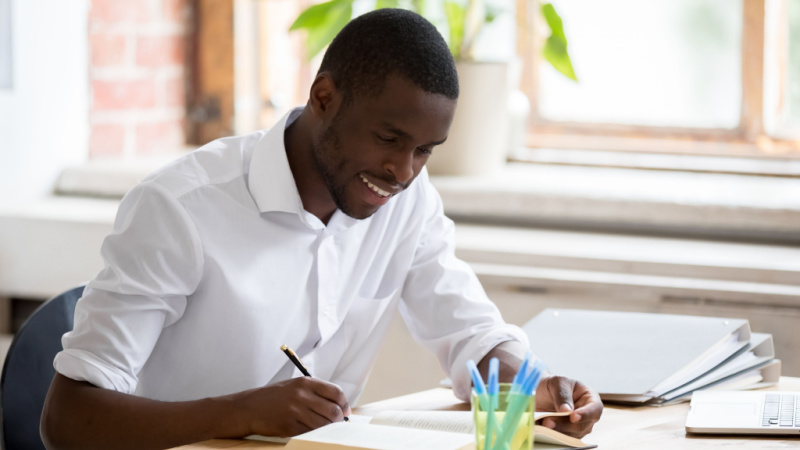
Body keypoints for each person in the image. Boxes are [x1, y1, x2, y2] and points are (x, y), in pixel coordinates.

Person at [41, 9, 602, 450]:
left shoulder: (404, 201)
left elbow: (470, 333)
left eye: (425, 151)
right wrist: (242, 412)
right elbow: (68, 420)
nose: (403, 173)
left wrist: (534, 391)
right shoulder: (181, 208)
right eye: (389, 139)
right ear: (324, 97)